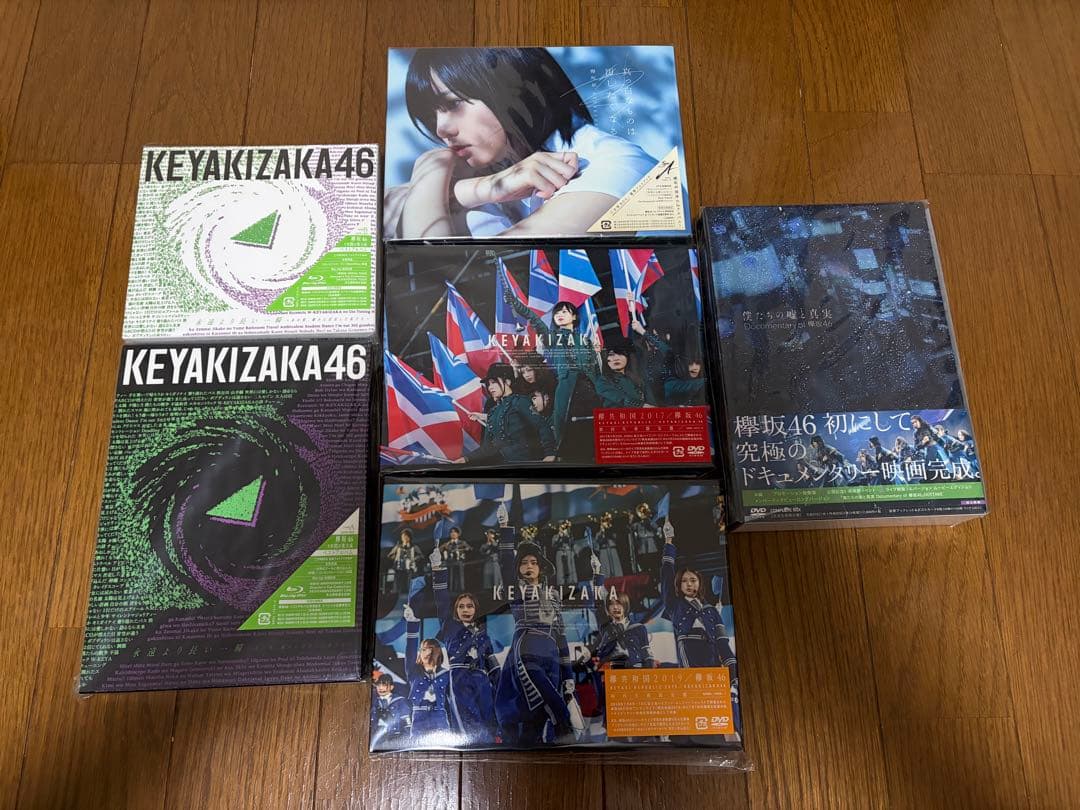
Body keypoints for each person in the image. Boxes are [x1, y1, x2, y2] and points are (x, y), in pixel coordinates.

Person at [386, 47, 662, 239]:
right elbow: (381, 211)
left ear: (512, 89)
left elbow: (454, 278)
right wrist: (481, 188)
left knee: (467, 216)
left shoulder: (614, 167)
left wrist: (432, 169)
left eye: (453, 104)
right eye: (431, 115)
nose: (441, 128)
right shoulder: (506, 172)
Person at [493, 506, 585, 746]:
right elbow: (505, 566)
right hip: (527, 646)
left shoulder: (553, 594)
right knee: (553, 704)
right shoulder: (516, 590)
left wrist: (568, 676)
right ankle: (566, 736)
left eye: (534, 562)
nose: (529, 566)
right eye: (524, 563)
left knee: (538, 715)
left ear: (541, 568)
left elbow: (561, 636)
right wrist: (505, 529)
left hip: (552, 654)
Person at [659, 519, 740, 729]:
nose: (689, 584)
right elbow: (666, 576)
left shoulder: (711, 611)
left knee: (719, 713)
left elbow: (723, 645)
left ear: (699, 583)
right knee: (696, 708)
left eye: (693, 580)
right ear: (679, 585)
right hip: (690, 658)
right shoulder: (674, 605)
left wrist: (733, 674)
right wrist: (668, 541)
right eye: (684, 581)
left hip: (712, 660)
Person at [505, 291, 601, 450]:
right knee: (565, 428)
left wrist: (598, 356)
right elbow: (535, 320)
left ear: (574, 317)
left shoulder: (585, 341)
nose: (559, 315)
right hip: (567, 387)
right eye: (557, 313)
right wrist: (516, 304)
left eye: (564, 311)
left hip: (590, 389)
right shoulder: (552, 338)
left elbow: (595, 370)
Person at [427, 547, 500, 745]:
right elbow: (441, 599)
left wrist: (500, 683)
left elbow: (491, 662)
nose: (465, 609)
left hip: (482, 680)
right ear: (455, 611)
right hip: (460, 677)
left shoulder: (483, 633)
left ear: (476, 609)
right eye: (461, 606)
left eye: (470, 606)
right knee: (468, 723)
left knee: (488, 719)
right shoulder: (449, 626)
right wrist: (437, 567)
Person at [465, 363, 556, 463]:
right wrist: (466, 458)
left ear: (507, 381)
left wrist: (550, 453)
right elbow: (487, 447)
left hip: (524, 462)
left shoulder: (520, 401)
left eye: (494, 382)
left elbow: (542, 426)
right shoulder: (493, 411)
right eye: (488, 384)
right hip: (501, 462)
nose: (490, 387)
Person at [402, 612, 453, 737]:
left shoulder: (446, 674)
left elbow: (453, 701)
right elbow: (410, 650)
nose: (425, 653)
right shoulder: (413, 671)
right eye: (423, 650)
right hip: (419, 716)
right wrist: (412, 623)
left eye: (430, 650)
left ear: (437, 653)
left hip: (440, 716)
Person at [370, 673, 411, 749]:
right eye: (378, 685)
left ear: (391, 687)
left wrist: (405, 742)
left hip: (396, 738)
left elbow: (407, 724)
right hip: (377, 740)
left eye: (384, 685)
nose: (380, 688)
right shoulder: (374, 702)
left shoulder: (400, 701)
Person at [387, 528, 424, 595]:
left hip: (410, 569)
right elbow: (390, 555)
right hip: (399, 569)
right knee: (398, 584)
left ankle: (411, 595)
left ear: (409, 537)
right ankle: (397, 595)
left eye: (406, 536)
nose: (404, 538)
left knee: (410, 583)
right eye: (403, 536)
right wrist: (396, 558)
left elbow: (421, 556)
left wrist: (414, 559)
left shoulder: (414, 547)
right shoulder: (398, 547)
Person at [439, 526, 473, 593]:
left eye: (455, 532)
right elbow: (439, 550)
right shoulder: (447, 543)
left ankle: (461, 591)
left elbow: (470, 549)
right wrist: (445, 546)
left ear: (458, 534)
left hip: (459, 562)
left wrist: (465, 549)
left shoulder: (462, 542)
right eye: (451, 532)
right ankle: (450, 591)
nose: (453, 533)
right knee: (450, 578)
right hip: (449, 563)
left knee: (460, 577)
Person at [593, 512, 623, 578]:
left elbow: (617, 540)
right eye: (604, 521)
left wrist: (609, 532)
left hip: (612, 550)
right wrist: (602, 532)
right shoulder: (598, 533)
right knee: (606, 569)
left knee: (616, 567)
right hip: (604, 551)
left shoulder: (612, 531)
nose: (606, 523)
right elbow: (597, 545)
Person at [551, 519, 578, 585]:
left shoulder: (569, 535)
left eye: (563, 526)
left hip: (568, 551)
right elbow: (554, 546)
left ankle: (572, 582)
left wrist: (567, 535)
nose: (562, 527)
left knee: (571, 567)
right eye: (561, 526)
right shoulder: (555, 536)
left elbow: (572, 544)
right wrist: (560, 537)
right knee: (560, 569)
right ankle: (561, 584)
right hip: (560, 552)